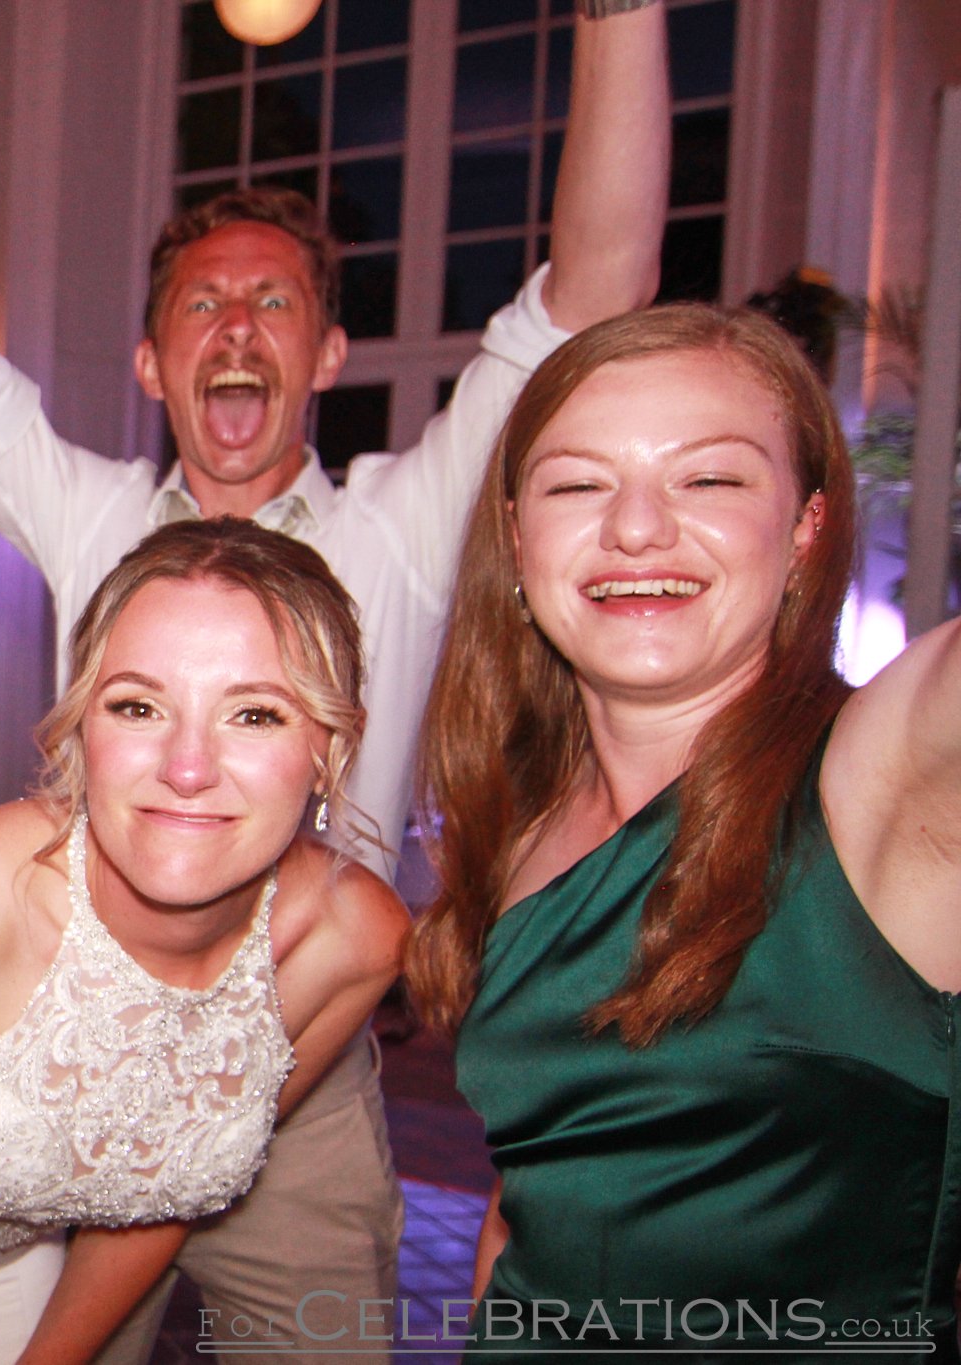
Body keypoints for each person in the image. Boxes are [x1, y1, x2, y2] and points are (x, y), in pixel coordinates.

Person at [0, 0, 671, 1356]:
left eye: (276, 301)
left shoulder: (399, 526)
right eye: (201, 303)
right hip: (63, 1037)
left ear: (325, 355)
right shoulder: (96, 518)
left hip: (303, 1044)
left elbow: (596, 292)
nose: (238, 324)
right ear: (153, 362)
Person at [405, 304, 960, 1357]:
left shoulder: (883, 779)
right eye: (578, 484)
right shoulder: (518, 822)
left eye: (707, 479)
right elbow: (533, 1197)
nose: (635, 529)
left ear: (802, 527)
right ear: (515, 538)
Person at [0, 519, 408, 1365]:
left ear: (330, 749)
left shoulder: (354, 941)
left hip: (13, 1277)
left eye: (255, 714)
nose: (187, 767)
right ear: (80, 730)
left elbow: (169, 1192)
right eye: (138, 706)